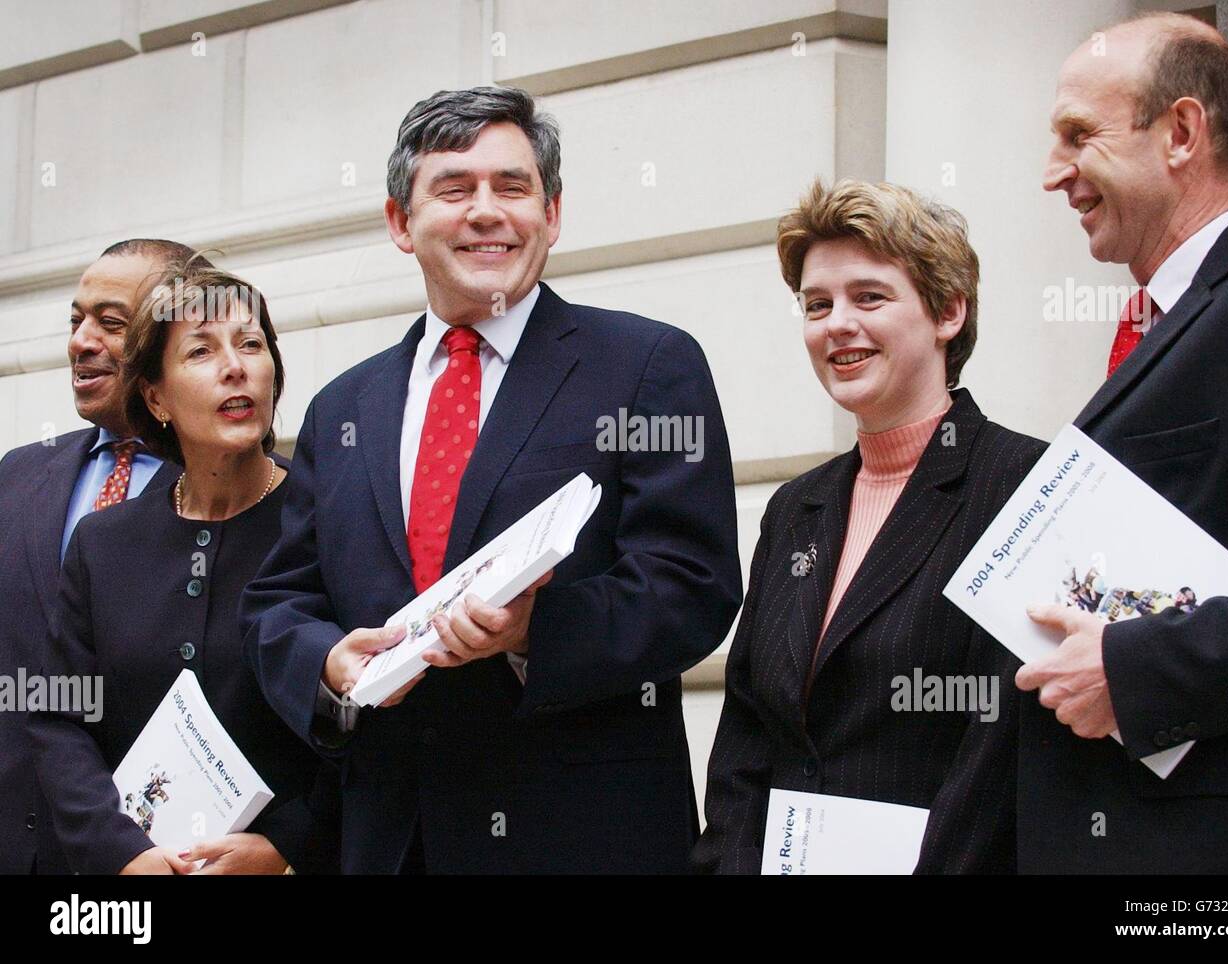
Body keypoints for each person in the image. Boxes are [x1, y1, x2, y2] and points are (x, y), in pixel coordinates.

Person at [240, 86, 742, 873]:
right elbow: (280, 600)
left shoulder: (645, 366)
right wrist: (331, 666)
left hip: (579, 838)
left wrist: (533, 632)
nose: (486, 211)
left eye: (512, 187)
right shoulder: (346, 405)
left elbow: (692, 584)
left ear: (553, 213)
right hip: (389, 841)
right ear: (400, 223)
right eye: (453, 188)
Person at [693, 180, 1045, 874]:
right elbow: (747, 738)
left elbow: (1000, 750)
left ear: (948, 312)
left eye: (869, 297)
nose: (836, 325)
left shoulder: (1022, 484)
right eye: (817, 305)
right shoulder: (796, 508)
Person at [1023, 11, 1228, 872]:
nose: (1052, 173)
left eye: (1078, 135)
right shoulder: (1152, 323)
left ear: (1181, 132)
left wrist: (1138, 672)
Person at [29, 258, 338, 874]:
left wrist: (287, 847)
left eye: (251, 344)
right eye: (202, 351)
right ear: (155, 396)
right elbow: (62, 723)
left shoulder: (329, 520)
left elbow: (367, 718)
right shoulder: (103, 543)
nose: (235, 367)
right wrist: (125, 855)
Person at [0, 240, 191, 874]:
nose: (81, 342)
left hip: (158, 854)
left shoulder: (247, 493)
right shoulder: (17, 477)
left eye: (110, 324)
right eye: (76, 321)